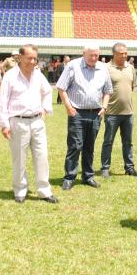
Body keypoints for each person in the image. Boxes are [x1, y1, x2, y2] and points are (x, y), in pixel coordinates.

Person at [0, 44, 58, 204]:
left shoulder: (38, 75)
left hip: (37, 121)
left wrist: (45, 108)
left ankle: (44, 190)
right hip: (18, 121)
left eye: (35, 58)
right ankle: (20, 190)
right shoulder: (10, 76)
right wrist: (4, 124)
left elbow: (47, 91)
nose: (32, 61)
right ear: (20, 57)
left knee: (42, 156)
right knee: (19, 158)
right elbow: (2, 101)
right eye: (29, 58)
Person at [56, 45, 112, 190]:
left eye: (96, 56)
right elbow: (61, 87)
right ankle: (69, 177)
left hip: (95, 113)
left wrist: (104, 107)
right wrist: (69, 107)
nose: (94, 58)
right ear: (83, 54)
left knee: (89, 146)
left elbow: (108, 90)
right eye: (91, 55)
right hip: (77, 113)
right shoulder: (73, 66)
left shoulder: (102, 68)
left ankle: (88, 176)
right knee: (75, 145)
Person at [100, 42, 137, 178]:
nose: (124, 56)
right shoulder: (106, 68)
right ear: (114, 54)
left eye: (126, 53)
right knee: (108, 141)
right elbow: (102, 89)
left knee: (128, 142)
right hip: (112, 113)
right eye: (121, 54)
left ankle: (129, 167)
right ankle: (105, 168)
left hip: (128, 113)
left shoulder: (131, 68)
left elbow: (132, 86)